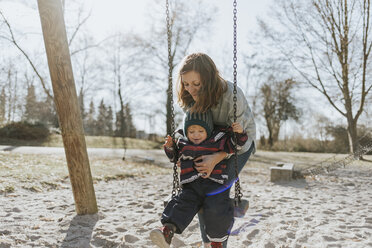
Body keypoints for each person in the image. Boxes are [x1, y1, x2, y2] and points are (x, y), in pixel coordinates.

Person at [176, 52, 256, 248]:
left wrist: (217, 158)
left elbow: (239, 139)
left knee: (215, 189)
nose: (190, 89)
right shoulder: (189, 98)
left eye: (196, 83)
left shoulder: (231, 95)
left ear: (209, 79)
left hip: (238, 144)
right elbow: (189, 130)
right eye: (186, 83)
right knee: (200, 184)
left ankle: (218, 242)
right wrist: (182, 153)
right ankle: (208, 243)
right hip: (207, 143)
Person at [150, 110, 248, 248]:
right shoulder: (183, 143)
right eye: (191, 131)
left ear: (208, 130)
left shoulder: (217, 140)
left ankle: (216, 242)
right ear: (186, 132)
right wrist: (170, 147)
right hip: (191, 187)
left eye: (200, 131)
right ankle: (167, 231)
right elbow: (174, 158)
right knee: (181, 204)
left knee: (217, 209)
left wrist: (240, 133)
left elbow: (236, 145)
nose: (196, 135)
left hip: (215, 185)